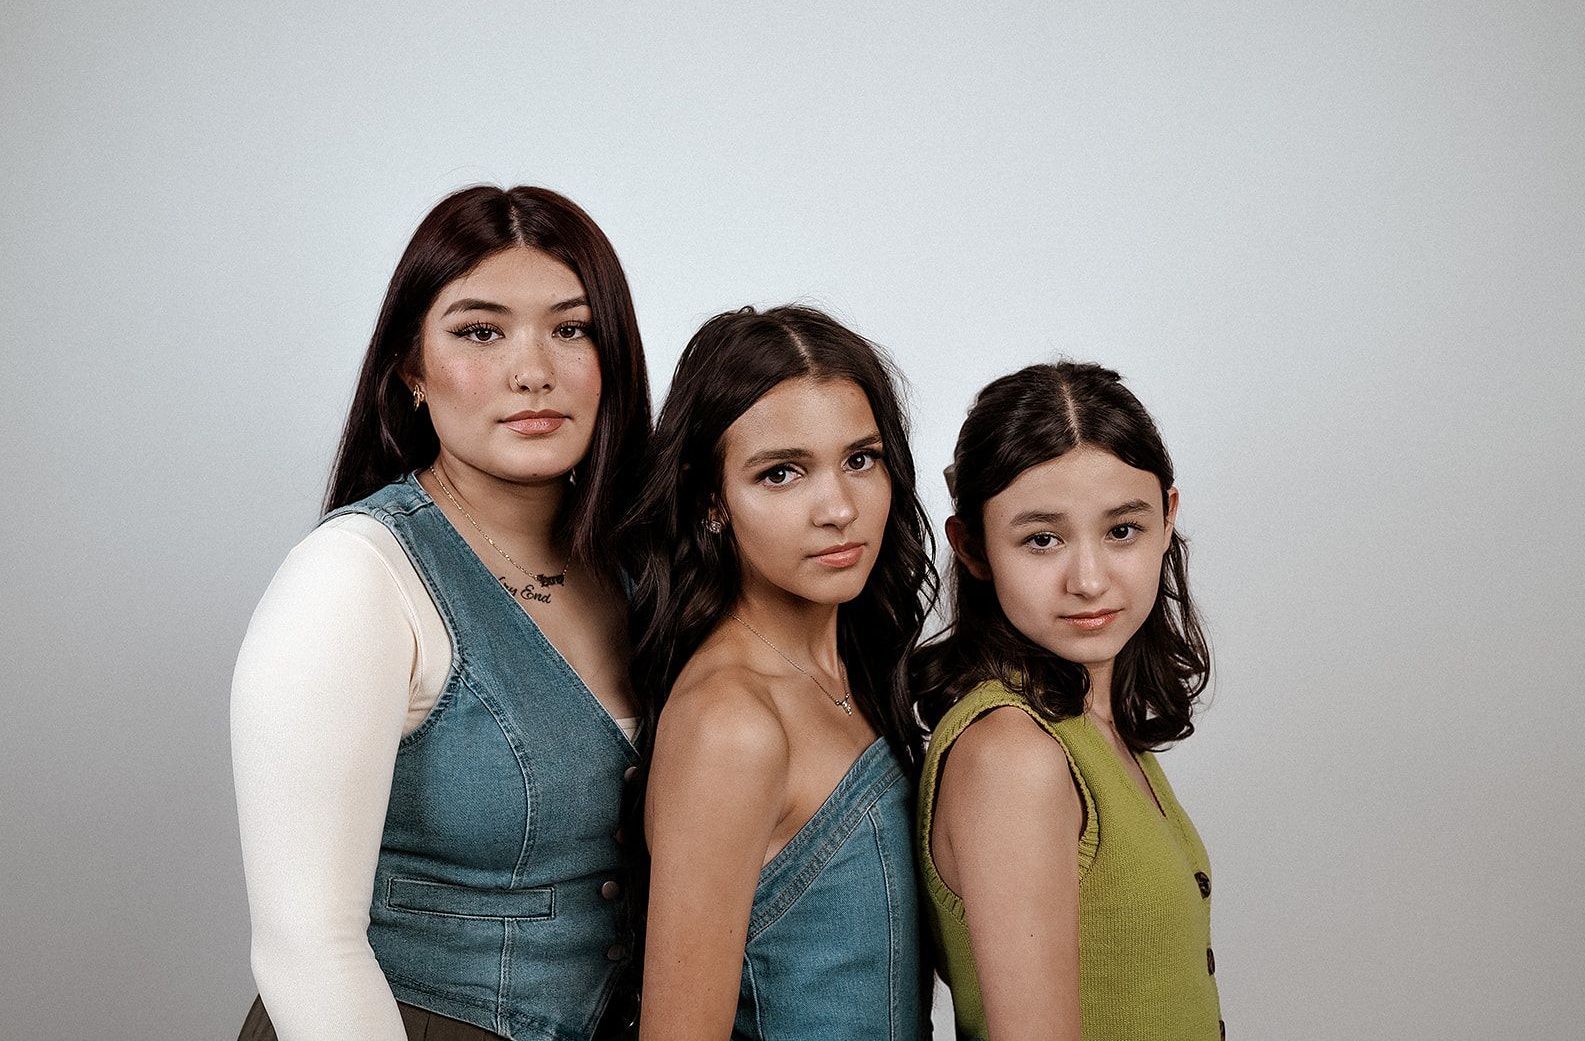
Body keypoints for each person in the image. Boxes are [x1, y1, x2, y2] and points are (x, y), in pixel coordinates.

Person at [231, 185, 651, 1041]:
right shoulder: (354, 576)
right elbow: (306, 947)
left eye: (572, 328)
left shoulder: (640, 570)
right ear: (410, 370)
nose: (533, 370)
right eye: (479, 331)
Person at [623, 306, 937, 1040]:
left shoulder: (857, 672)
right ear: (711, 502)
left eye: (860, 459)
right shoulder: (731, 723)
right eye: (782, 473)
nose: (838, 508)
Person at [915, 361, 1221, 1041]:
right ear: (972, 547)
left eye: (1122, 530)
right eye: (1042, 539)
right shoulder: (1012, 756)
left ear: (1168, 517)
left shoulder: (1093, 725)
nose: (1089, 580)